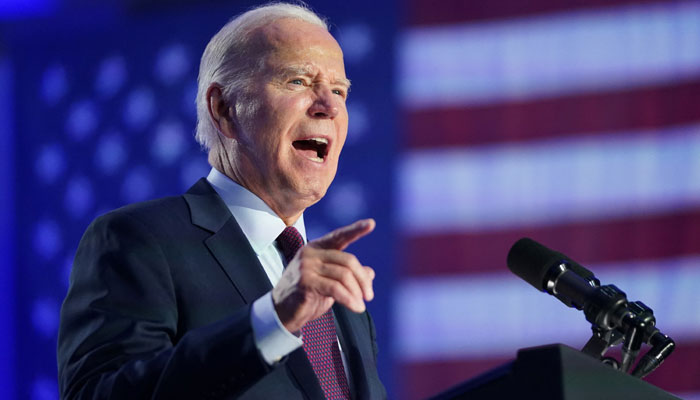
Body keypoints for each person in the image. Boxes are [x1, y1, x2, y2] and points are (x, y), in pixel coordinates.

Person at [57, 3, 386, 399]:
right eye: (298, 81)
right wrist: (273, 319)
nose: (329, 107)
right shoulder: (139, 241)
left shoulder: (337, 290)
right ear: (224, 108)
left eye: (339, 90)